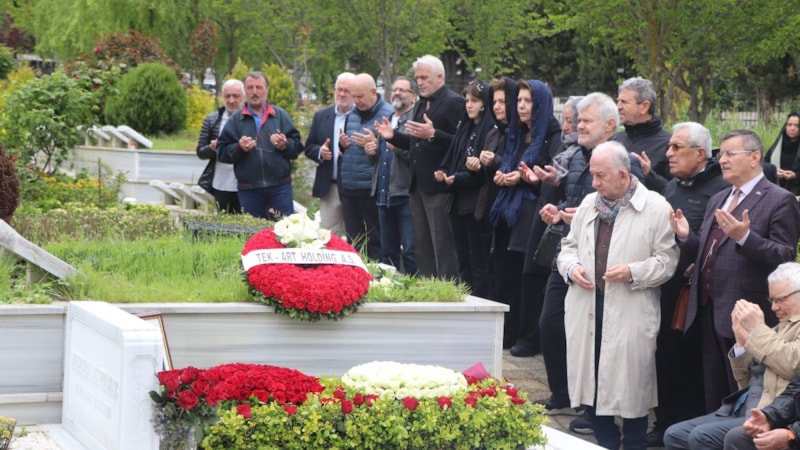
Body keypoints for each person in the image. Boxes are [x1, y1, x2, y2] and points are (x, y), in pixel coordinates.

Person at [557, 141, 678, 450]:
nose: (594, 183)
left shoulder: (656, 207)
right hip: (587, 303)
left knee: (631, 384)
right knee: (591, 381)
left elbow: (667, 262)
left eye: (600, 176)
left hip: (630, 308)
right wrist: (572, 268)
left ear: (623, 175)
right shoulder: (588, 203)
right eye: (593, 176)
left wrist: (632, 272)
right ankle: (606, 442)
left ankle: (635, 443)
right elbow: (568, 247)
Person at [670, 129, 800, 413]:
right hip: (707, 308)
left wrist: (745, 237)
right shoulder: (719, 199)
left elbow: (784, 256)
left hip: (745, 311)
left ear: (755, 158)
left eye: (730, 154)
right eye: (721, 154)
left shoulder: (778, 199)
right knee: (713, 390)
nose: (723, 160)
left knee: (742, 392)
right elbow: (707, 252)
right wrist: (685, 237)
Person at [533, 93, 644, 426]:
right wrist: (560, 212)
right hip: (569, 254)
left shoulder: (624, 160)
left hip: (604, 264)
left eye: (586, 121)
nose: (578, 125)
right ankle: (564, 395)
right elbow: (575, 201)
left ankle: (594, 409)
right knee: (551, 324)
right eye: (577, 119)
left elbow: (632, 212)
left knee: (594, 335)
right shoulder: (579, 157)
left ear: (610, 125)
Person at [648, 122, 730, 447]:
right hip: (664, 290)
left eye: (676, 147)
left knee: (691, 366)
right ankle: (664, 423)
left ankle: (689, 428)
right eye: (669, 146)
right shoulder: (673, 186)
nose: (668, 153)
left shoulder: (720, 190)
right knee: (664, 361)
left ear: (700, 153)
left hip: (697, 296)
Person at [664, 261, 800, 450]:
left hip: (769, 411)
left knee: (701, 437)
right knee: (674, 435)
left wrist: (757, 329)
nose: (774, 308)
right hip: (743, 406)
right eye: (772, 301)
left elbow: (792, 364)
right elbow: (746, 383)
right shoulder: (778, 328)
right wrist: (741, 345)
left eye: (780, 300)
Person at [376, 55, 464, 279]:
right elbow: (415, 143)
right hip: (416, 185)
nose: (420, 82)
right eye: (418, 78)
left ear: (440, 76)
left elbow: (461, 143)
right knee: (422, 247)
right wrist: (393, 136)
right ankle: (428, 291)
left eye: (424, 77)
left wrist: (434, 134)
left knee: (442, 247)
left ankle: (448, 294)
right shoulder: (421, 104)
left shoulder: (453, 102)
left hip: (439, 186)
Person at [488, 79, 560, 349]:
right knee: (505, 274)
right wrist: (502, 173)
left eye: (528, 101)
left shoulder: (552, 135)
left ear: (540, 104)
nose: (521, 106)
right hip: (508, 212)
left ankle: (529, 336)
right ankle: (508, 333)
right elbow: (509, 163)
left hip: (532, 212)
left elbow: (554, 177)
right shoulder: (516, 133)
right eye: (518, 100)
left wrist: (524, 178)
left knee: (526, 276)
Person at [513, 96, 583, 358]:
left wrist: (552, 186)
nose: (566, 127)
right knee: (532, 276)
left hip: (565, 227)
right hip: (549, 217)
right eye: (565, 120)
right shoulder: (569, 152)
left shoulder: (583, 154)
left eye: (572, 121)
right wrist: (540, 181)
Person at [434, 79, 495, 298]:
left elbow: (480, 173)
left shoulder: (489, 129)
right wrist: (443, 171)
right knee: (463, 259)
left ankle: (481, 302)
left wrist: (458, 177)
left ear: (484, 103)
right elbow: (452, 155)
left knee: (478, 259)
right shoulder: (465, 127)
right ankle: (466, 299)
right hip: (458, 201)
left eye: (475, 101)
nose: (469, 105)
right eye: (467, 100)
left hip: (476, 204)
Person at [217, 71, 303, 219]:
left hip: (279, 188)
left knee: (283, 233)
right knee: (253, 235)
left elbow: (297, 148)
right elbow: (222, 152)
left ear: (267, 90)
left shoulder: (280, 115)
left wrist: (285, 145)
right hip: (249, 189)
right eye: (250, 88)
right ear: (245, 91)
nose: (255, 92)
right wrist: (239, 148)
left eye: (259, 87)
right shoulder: (236, 120)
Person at [338, 73, 392, 261]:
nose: (356, 101)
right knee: (354, 240)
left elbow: (394, 153)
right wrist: (342, 144)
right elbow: (346, 149)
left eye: (360, 96)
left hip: (372, 188)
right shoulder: (351, 114)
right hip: (349, 186)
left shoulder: (388, 113)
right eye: (354, 96)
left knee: (376, 240)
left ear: (373, 92)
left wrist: (375, 148)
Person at [370, 76, 417, 274]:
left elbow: (415, 154)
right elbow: (381, 160)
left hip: (405, 193)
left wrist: (396, 144)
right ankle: (390, 292)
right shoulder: (387, 120)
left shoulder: (415, 121)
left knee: (410, 250)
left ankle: (415, 294)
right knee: (387, 252)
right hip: (383, 194)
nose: (397, 93)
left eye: (403, 90)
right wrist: (371, 151)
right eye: (395, 89)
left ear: (413, 97)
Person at [304, 72, 355, 236]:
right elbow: (309, 147)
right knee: (328, 238)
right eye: (339, 89)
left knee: (357, 237)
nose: (341, 94)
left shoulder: (360, 117)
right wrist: (320, 151)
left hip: (354, 188)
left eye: (347, 90)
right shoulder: (321, 116)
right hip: (329, 187)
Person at [613, 77, 672, 193]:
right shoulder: (615, 140)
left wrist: (648, 175)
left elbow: (675, 192)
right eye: (618, 101)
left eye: (624, 102)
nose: (618, 107)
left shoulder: (670, 145)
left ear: (644, 106)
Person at [196, 79, 245, 214]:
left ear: (244, 98)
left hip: (246, 182)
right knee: (224, 222)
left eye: (236, 96)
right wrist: (212, 148)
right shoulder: (212, 120)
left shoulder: (252, 120)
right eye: (227, 96)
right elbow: (200, 152)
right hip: (221, 182)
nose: (231, 100)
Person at [765, 112, 800, 194]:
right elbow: (764, 164)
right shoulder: (778, 145)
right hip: (777, 189)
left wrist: (795, 175)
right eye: (789, 125)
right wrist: (774, 171)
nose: (792, 128)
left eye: (796, 126)